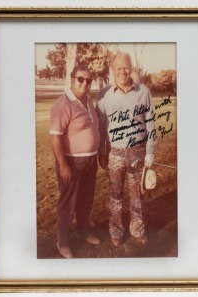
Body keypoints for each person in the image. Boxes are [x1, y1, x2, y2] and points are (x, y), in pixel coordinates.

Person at [97, 53, 156, 247]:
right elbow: (101, 127)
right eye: (118, 68)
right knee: (115, 195)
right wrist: (102, 152)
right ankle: (116, 231)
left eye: (126, 67)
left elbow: (151, 124)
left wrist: (150, 152)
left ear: (131, 68)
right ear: (112, 70)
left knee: (137, 195)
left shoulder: (144, 91)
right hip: (115, 153)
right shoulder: (104, 94)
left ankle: (137, 229)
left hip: (138, 151)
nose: (122, 71)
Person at [50, 65, 100, 258]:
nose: (85, 83)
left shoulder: (88, 102)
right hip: (71, 162)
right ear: (72, 80)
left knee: (86, 201)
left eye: (89, 80)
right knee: (67, 204)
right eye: (81, 79)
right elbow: (55, 137)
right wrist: (63, 165)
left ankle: (83, 231)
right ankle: (62, 242)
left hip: (91, 160)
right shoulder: (62, 104)